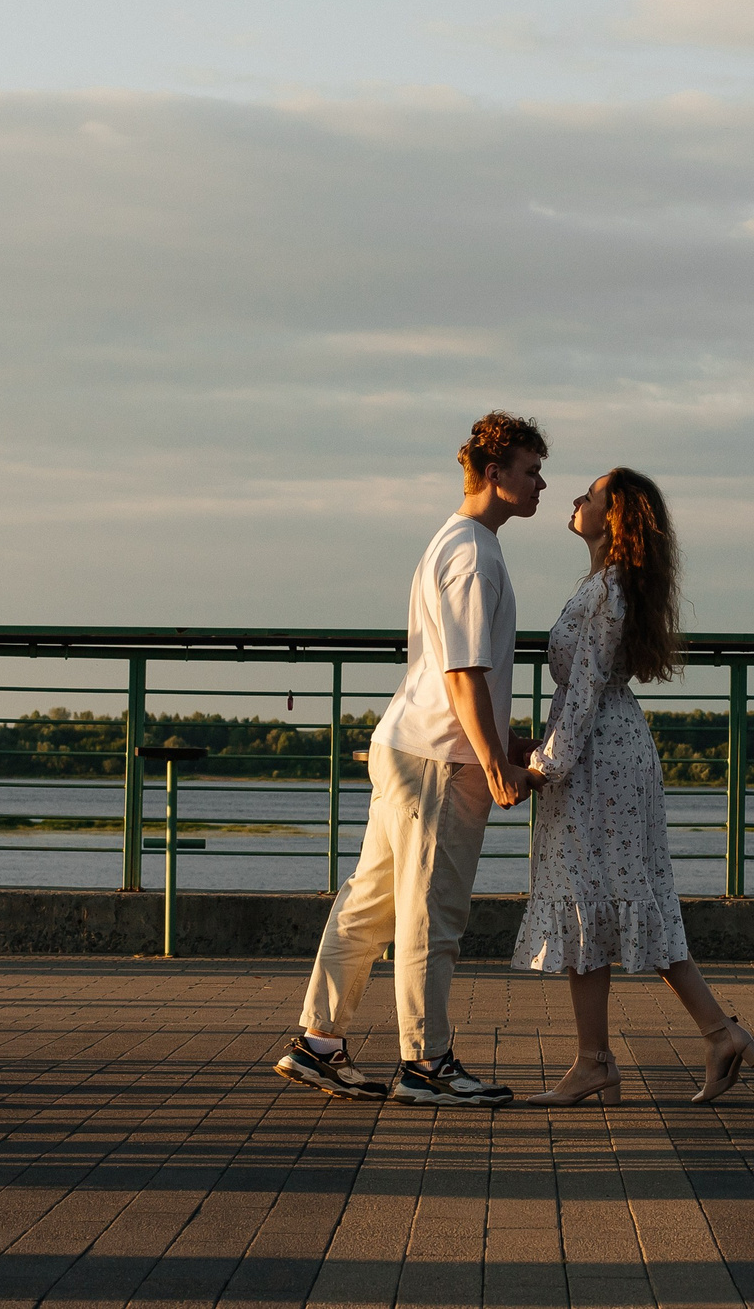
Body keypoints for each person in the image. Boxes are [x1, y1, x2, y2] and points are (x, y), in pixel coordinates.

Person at [275, 412, 547, 1107]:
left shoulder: (453, 542)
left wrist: (499, 742)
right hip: (438, 757)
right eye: (529, 469)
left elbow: (455, 672)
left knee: (371, 901)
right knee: (431, 913)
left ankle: (319, 1042)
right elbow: (462, 670)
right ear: (494, 474)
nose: (540, 482)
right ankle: (425, 1063)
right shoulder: (473, 552)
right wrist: (492, 761)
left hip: (409, 743)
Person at [513, 467, 754, 1106]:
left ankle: (630, 1053)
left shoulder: (608, 590)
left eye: (589, 495)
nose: (575, 499)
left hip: (600, 757)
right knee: (606, 899)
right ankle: (690, 1039)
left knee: (600, 894)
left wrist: (546, 765)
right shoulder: (608, 583)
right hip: (608, 751)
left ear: (617, 516)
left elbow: (588, 689)